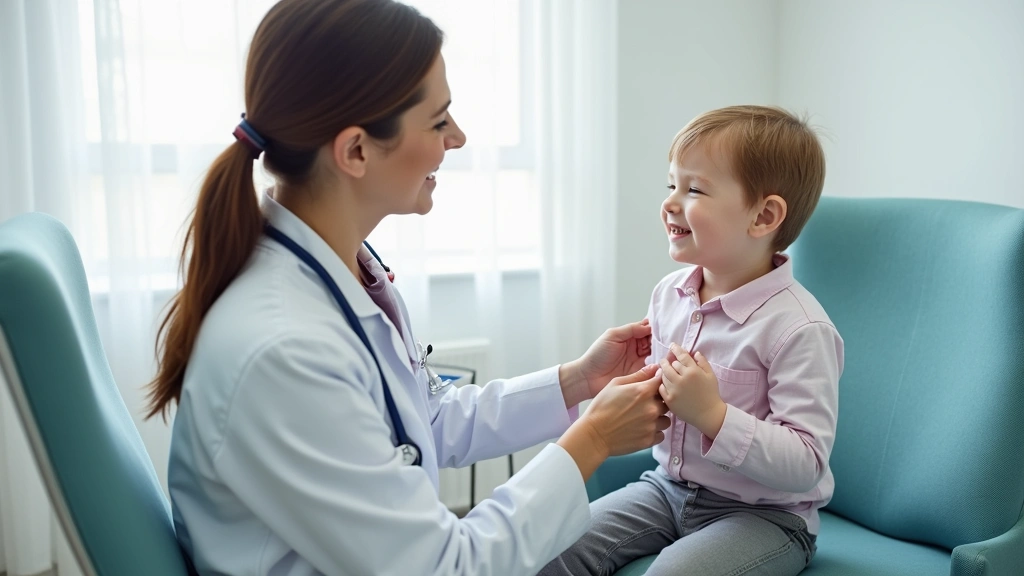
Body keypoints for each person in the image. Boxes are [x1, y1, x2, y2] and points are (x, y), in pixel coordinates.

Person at [143, 1, 670, 574]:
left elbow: (421, 423)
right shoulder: (286, 348)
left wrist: (578, 382)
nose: (459, 138)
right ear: (356, 151)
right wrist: (590, 440)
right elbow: (444, 568)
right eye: (440, 121)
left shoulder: (338, 269)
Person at [540, 106, 845, 576]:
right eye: (671, 185)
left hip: (764, 517)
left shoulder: (800, 329)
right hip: (664, 489)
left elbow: (806, 463)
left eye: (695, 189)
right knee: (551, 548)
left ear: (763, 216)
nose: (670, 202)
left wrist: (713, 416)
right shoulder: (669, 295)